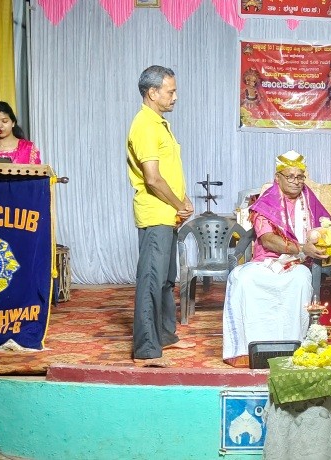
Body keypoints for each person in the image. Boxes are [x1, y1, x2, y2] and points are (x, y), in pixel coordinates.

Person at [222, 151, 331, 367]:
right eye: (290, 176)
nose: (296, 182)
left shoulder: (309, 200)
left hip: (299, 263)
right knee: (243, 279)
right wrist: (301, 247)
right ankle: (247, 348)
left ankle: (295, 347)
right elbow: (268, 240)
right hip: (266, 261)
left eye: (300, 177)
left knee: (300, 279)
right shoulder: (267, 203)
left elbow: (325, 226)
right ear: (277, 177)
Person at [126, 65, 195, 367]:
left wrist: (184, 197)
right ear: (152, 93)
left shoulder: (159, 123)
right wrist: (178, 202)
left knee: (166, 279)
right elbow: (152, 178)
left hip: (168, 214)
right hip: (155, 214)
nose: (175, 97)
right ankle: (145, 349)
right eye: (171, 91)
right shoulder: (144, 125)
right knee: (151, 279)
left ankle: (166, 335)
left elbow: (168, 170)